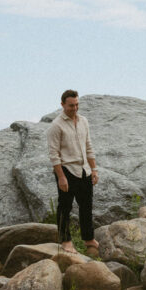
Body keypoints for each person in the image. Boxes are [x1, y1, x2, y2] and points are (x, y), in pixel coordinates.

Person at [46, 89, 100, 254]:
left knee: (86, 206)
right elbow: (54, 155)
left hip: (84, 170)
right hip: (67, 170)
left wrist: (94, 169)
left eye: (77, 104)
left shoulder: (84, 121)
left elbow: (88, 146)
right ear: (62, 104)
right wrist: (61, 177)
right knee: (65, 207)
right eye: (71, 105)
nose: (75, 108)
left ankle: (88, 238)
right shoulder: (56, 126)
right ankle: (66, 240)